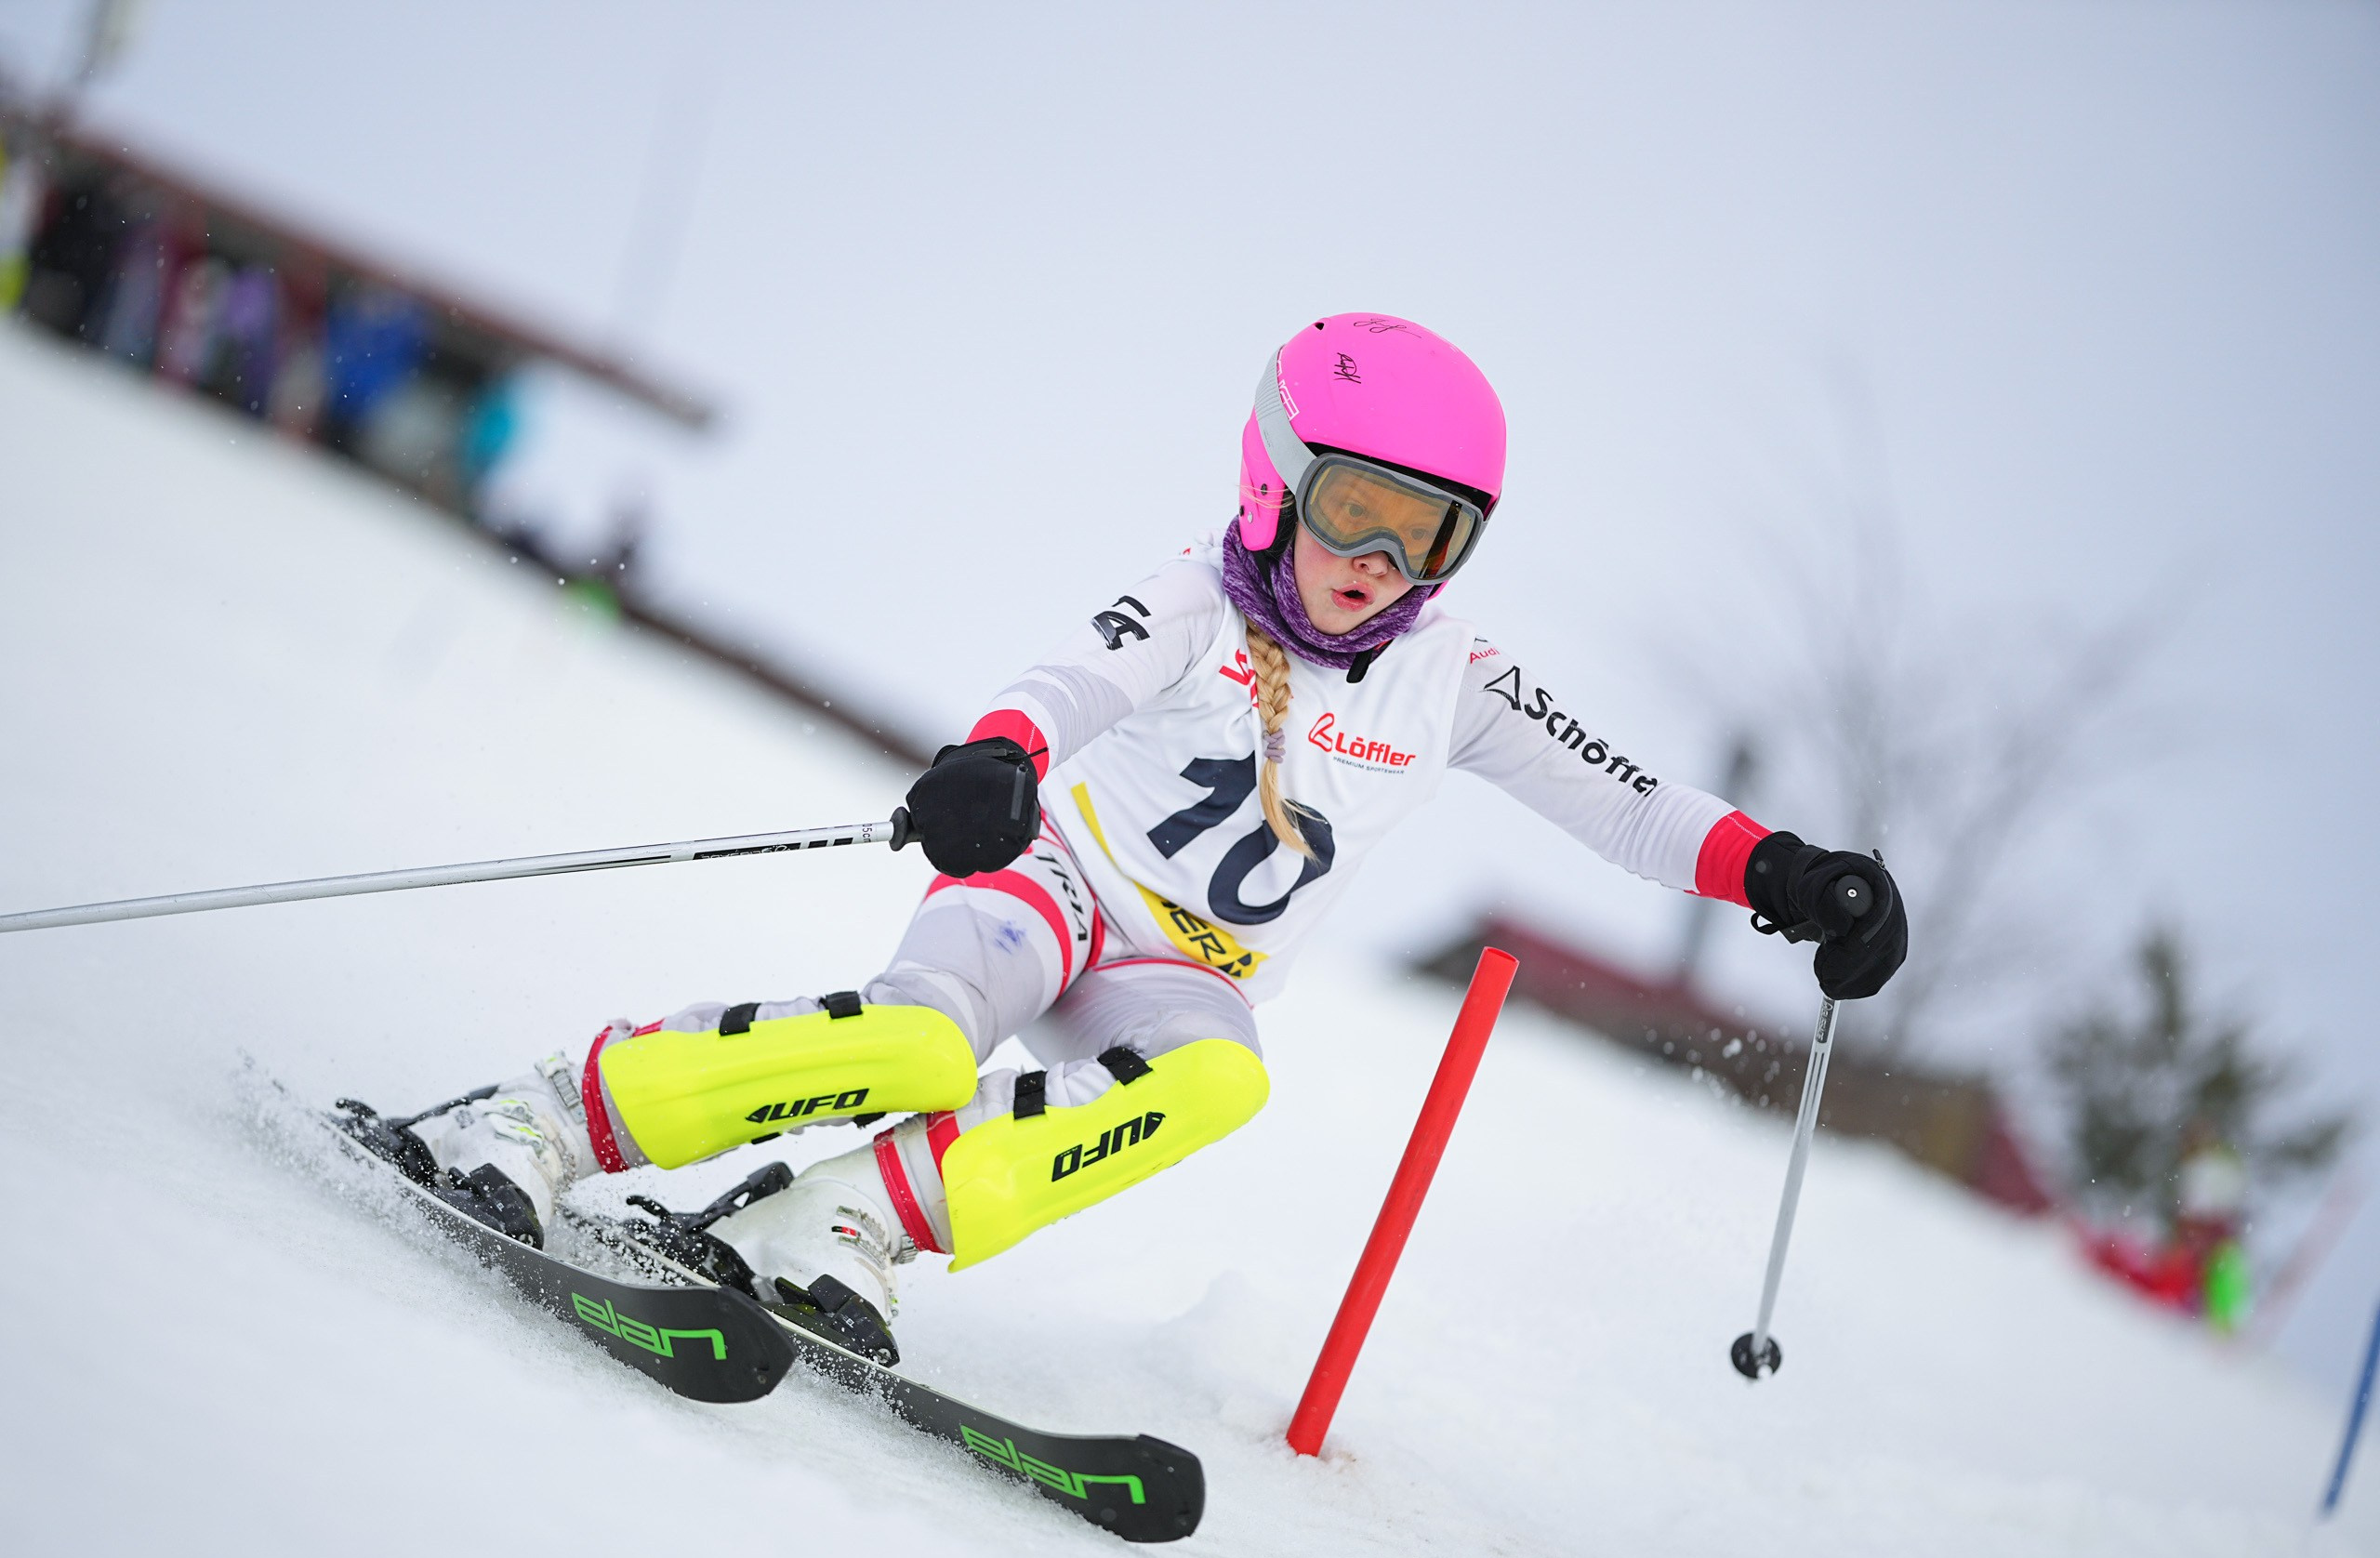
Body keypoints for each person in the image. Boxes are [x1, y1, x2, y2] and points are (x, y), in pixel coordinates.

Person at [372, 313, 1908, 1358]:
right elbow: (1070, 677)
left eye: (1426, 534)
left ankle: (841, 1222)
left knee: (1220, 1073)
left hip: (1187, 968)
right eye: (1353, 510)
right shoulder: (1202, 599)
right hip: (1052, 886)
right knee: (917, 1049)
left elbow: (1627, 799)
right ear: (1276, 480)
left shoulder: (1454, 682)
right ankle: (550, 1117)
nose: (1379, 563)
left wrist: (1782, 874)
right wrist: (998, 756)